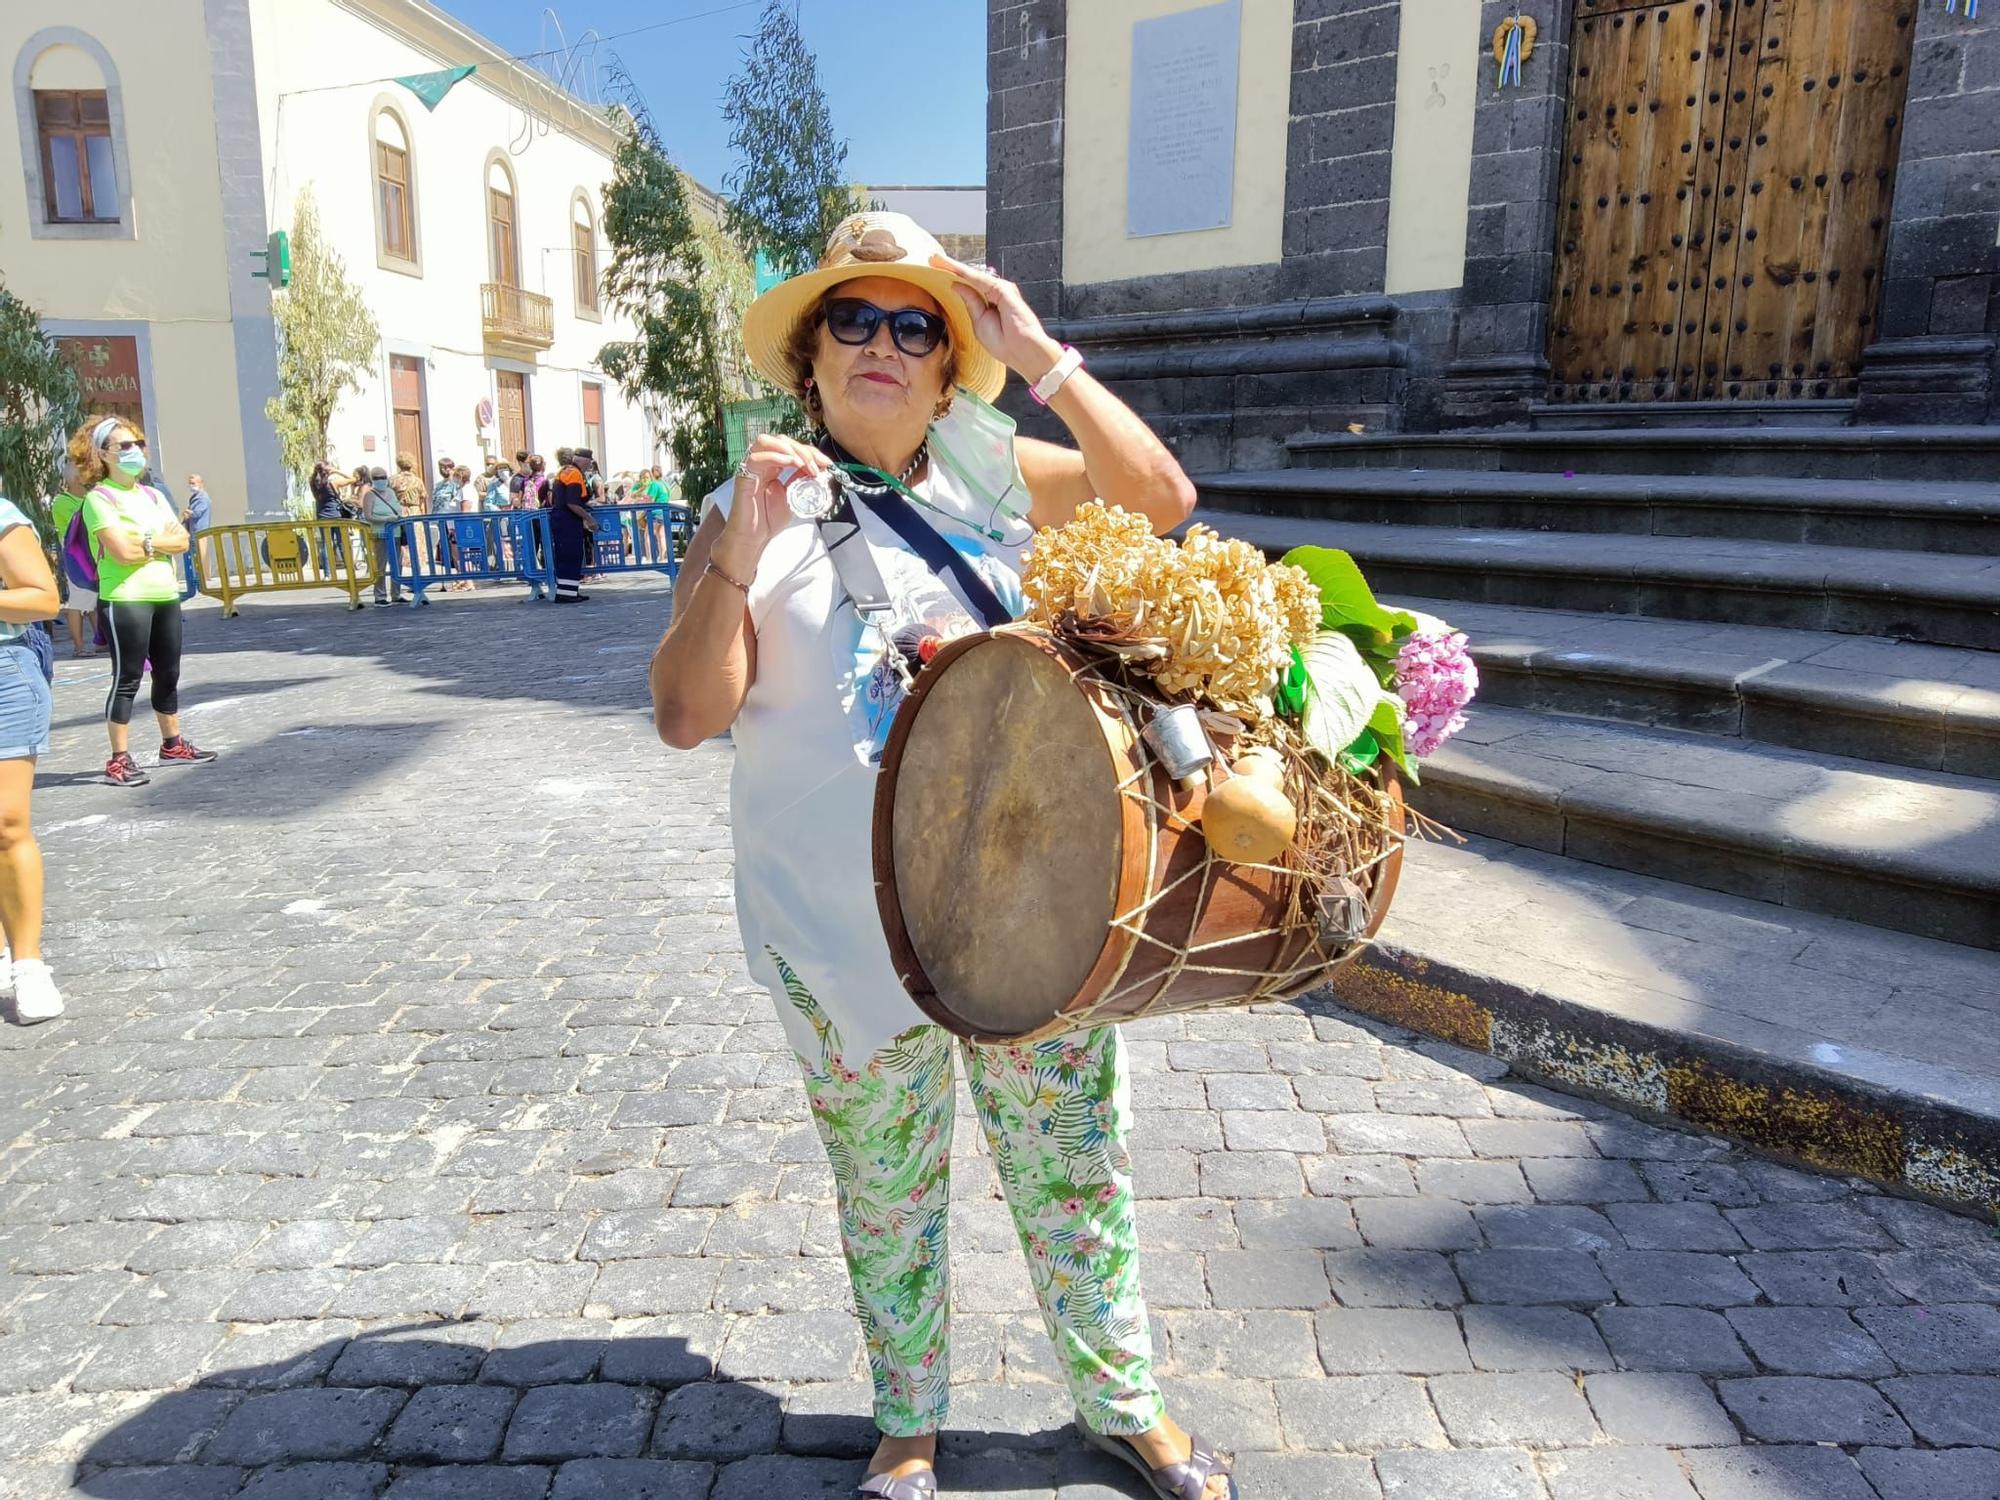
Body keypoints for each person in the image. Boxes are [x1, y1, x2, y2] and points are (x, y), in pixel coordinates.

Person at [647, 213, 1223, 1500]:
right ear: (810, 355)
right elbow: (686, 715)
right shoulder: (743, 512)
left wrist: (1037, 357)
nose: (884, 345)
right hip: (837, 940)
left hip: (1030, 915)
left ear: (943, 366)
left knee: (1073, 1174)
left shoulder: (993, 481)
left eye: (917, 328)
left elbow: (1166, 503)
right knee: (884, 1193)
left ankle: (1121, 1400)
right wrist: (739, 549)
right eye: (852, 318)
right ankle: (907, 1419)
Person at [70, 416, 214, 787]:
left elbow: (181, 541)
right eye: (125, 445)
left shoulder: (152, 495)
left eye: (138, 444)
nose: (135, 451)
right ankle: (118, 759)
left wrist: (145, 542)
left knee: (168, 673)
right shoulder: (99, 499)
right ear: (103, 454)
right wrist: (155, 542)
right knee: (127, 678)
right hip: (125, 598)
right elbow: (120, 552)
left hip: (165, 593)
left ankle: (172, 744)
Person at [0, 489, 64, 1022]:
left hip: (4, 674)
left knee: (6, 821)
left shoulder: (2, 516)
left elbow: (44, 599)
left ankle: (28, 964)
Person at [51, 466, 99, 659]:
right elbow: (81, 523)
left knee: (93, 598)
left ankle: (100, 640)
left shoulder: (88, 496)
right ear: (75, 478)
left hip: (91, 552)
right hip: (77, 555)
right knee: (79, 600)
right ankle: (79, 647)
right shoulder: (62, 502)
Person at [548, 448, 594, 602]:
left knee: (567, 555)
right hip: (567, 520)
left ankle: (569, 591)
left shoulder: (565, 471)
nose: (589, 466)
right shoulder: (574, 474)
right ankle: (566, 595)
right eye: (589, 462)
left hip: (561, 518)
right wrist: (589, 519)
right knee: (570, 555)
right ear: (584, 461)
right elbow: (572, 503)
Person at [359, 466, 406, 605]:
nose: (381, 480)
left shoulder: (391, 492)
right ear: (372, 479)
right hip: (380, 534)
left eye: (384, 477)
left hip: (395, 533)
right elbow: (368, 516)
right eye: (378, 477)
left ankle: (396, 594)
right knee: (380, 565)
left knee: (397, 565)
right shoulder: (369, 495)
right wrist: (386, 519)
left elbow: (398, 509)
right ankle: (380, 596)